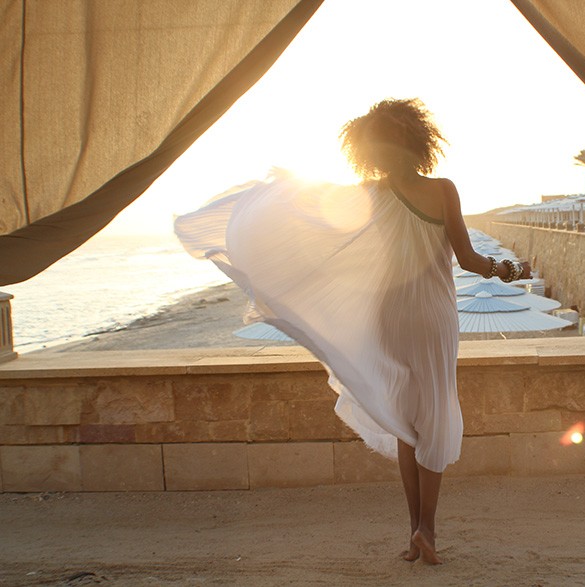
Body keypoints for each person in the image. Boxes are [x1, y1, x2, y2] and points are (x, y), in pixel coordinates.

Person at [174, 98, 530, 565]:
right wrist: (507, 268)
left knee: (407, 425)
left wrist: (280, 199)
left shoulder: (370, 195)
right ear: (418, 141)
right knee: (436, 412)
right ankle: (428, 529)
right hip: (433, 317)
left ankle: (412, 532)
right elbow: (468, 260)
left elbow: (321, 235)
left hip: (389, 315)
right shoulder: (443, 189)